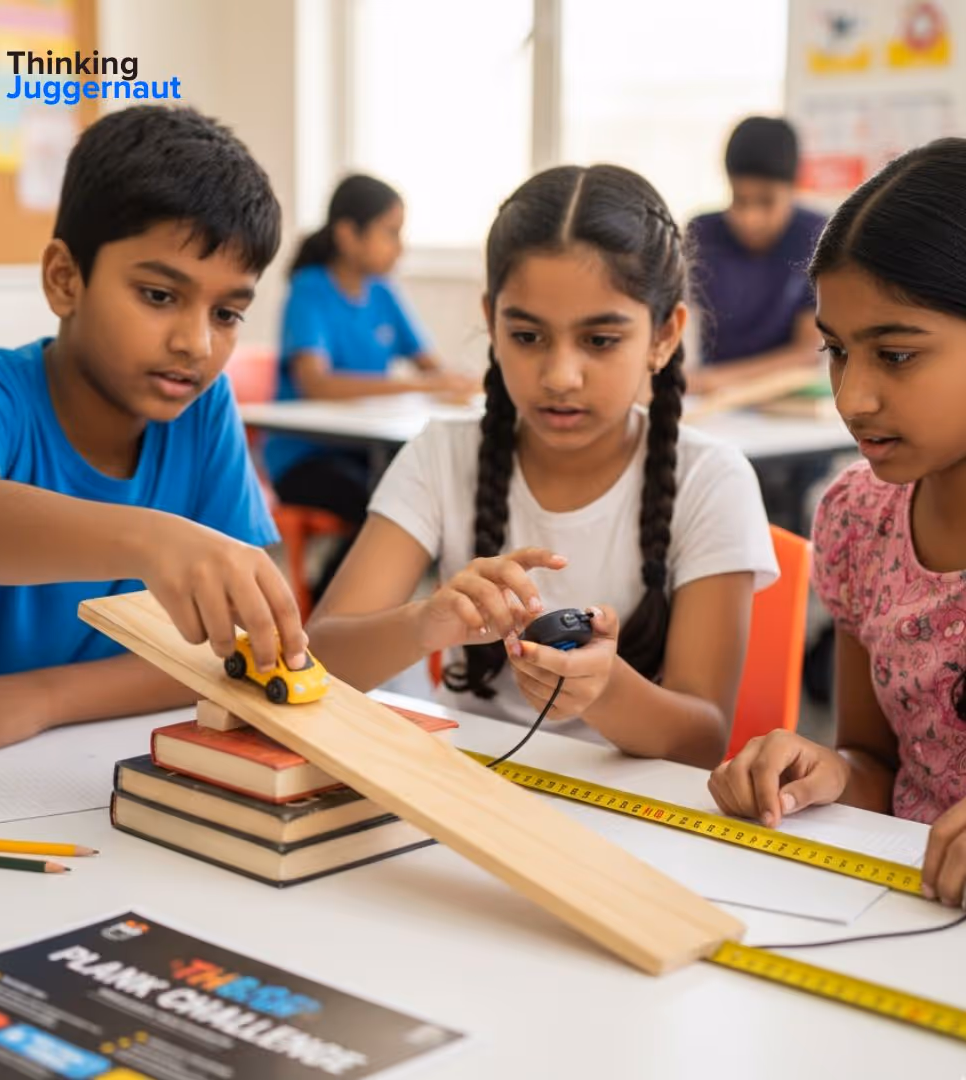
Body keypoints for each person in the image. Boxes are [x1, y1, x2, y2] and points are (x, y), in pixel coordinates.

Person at [307, 164, 778, 768]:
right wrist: (425, 623)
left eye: (600, 341)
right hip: (459, 786)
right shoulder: (440, 455)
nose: (560, 375)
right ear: (492, 321)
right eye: (527, 336)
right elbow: (320, 657)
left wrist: (605, 688)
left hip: (639, 810)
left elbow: (702, 741)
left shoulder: (712, 480)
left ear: (664, 336)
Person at [0, 105, 305, 756]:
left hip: (67, 762)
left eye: (226, 313)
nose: (194, 343)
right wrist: (153, 540)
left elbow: (231, 656)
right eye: (159, 295)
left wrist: (44, 696)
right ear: (64, 278)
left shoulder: (200, 411)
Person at [707, 138, 966, 908]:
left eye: (895, 354)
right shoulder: (860, 518)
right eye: (835, 351)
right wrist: (831, 771)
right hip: (905, 916)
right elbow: (878, 760)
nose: (851, 397)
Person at [264, 175, 478, 602]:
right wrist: (420, 386)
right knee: (383, 504)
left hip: (364, 453)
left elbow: (431, 366)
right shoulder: (310, 290)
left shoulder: (384, 292)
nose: (400, 247)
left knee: (431, 491)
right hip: (303, 459)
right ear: (348, 234)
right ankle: (331, 610)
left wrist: (457, 381)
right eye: (390, 233)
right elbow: (316, 384)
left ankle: (375, 610)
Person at [686, 116, 826, 395]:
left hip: (783, 398)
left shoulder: (816, 236)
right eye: (739, 200)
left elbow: (808, 352)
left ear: (793, 188)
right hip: (711, 404)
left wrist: (713, 381)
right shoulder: (703, 232)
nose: (749, 218)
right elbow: (680, 323)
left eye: (766, 202)